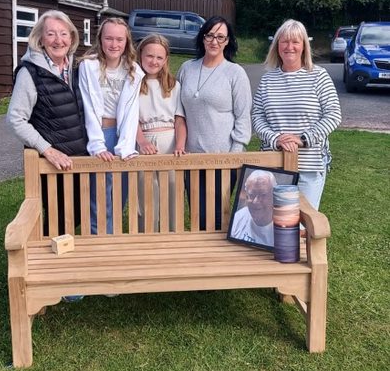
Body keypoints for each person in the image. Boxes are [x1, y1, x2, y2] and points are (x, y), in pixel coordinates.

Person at [7, 10, 88, 302]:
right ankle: (58, 283)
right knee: (54, 221)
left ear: (72, 38)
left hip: (77, 159)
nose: (58, 39)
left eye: (64, 33)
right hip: (50, 163)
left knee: (73, 216)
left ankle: (69, 274)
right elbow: (15, 119)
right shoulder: (31, 72)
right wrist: (47, 149)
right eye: (51, 33)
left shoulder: (75, 67)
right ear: (40, 38)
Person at [252, 19, 341, 209]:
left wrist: (303, 139)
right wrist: (276, 139)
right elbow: (257, 116)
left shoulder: (319, 76)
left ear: (304, 47)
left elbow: (333, 115)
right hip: (274, 162)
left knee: (303, 223)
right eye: (284, 41)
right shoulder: (268, 79)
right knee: (277, 220)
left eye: (295, 42)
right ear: (277, 46)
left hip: (309, 164)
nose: (289, 47)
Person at [178, 15, 252, 228]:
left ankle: (219, 259)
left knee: (218, 216)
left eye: (221, 37)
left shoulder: (235, 73)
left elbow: (243, 115)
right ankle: (200, 257)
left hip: (223, 157)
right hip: (191, 155)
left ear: (227, 41)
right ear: (203, 37)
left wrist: (234, 154)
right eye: (210, 35)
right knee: (197, 213)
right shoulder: (187, 68)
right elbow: (178, 111)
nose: (214, 41)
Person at [78, 17, 144, 234]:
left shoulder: (133, 70)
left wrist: (126, 146)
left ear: (126, 42)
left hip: (122, 135)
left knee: (119, 191)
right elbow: (89, 106)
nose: (114, 44)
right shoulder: (89, 67)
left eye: (119, 39)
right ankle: (98, 240)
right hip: (99, 133)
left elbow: (132, 112)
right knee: (99, 193)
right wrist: (97, 145)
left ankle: (113, 237)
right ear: (100, 39)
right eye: (109, 38)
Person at [136, 34, 187, 230]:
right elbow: (131, 120)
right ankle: (147, 238)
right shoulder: (133, 83)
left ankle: (172, 237)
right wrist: (142, 142)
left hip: (170, 141)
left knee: (171, 193)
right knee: (146, 194)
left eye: (159, 57)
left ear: (165, 60)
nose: (154, 61)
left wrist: (180, 145)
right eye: (149, 56)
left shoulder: (173, 85)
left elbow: (180, 120)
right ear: (140, 55)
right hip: (144, 140)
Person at [231, 169, 276, 246]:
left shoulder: (283, 228)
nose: (256, 201)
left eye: (263, 194)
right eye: (251, 195)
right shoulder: (239, 217)